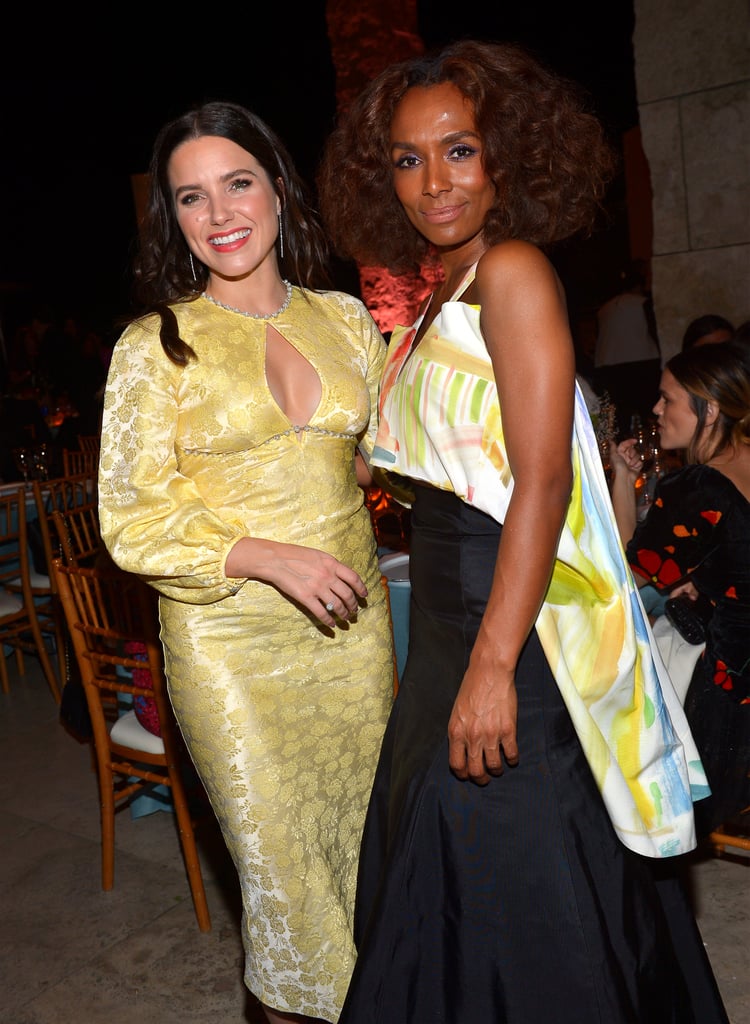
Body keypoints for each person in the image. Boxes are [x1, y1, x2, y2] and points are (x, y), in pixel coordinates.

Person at [317, 39, 728, 1023]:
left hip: (516, 625)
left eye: (458, 150)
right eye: (409, 160)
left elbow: (542, 481)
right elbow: (431, 461)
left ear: (505, 153)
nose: (434, 181)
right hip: (456, 622)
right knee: (456, 876)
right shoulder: (437, 295)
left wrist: (495, 665)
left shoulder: (511, 271)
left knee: (530, 885)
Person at [97, 101, 394, 1024]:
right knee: (284, 896)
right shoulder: (155, 346)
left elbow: (386, 458)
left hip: (354, 635)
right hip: (231, 648)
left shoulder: (346, 320)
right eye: (192, 196)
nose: (220, 212)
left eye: (238, 183)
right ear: (174, 219)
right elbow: (130, 518)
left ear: (277, 191)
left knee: (367, 863)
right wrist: (266, 556)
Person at [611, 342, 750, 840]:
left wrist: (622, 479)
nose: (656, 409)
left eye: (668, 399)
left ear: (708, 410)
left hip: (729, 691)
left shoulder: (700, 487)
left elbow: (629, 572)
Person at [592, 258, 662, 436]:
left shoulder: (604, 309)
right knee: (649, 414)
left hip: (607, 365)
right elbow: (655, 330)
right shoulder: (642, 302)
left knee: (620, 418)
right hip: (641, 361)